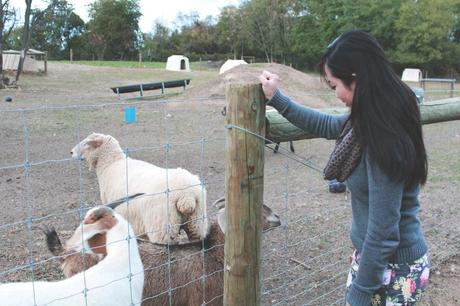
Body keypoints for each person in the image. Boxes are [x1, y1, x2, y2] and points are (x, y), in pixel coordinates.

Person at [258, 30, 430, 306]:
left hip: (395, 268)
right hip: (379, 262)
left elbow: (384, 230)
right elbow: (327, 125)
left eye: (334, 85)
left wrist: (360, 292)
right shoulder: (372, 116)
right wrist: (277, 98)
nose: (335, 93)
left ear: (357, 79)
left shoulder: (383, 134)